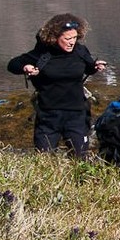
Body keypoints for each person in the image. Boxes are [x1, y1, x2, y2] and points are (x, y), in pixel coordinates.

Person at [7, 13, 107, 157]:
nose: (72, 42)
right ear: (55, 37)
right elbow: (12, 65)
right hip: (48, 116)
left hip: (77, 115)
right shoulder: (42, 54)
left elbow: (88, 67)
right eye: (67, 39)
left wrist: (95, 66)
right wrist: (25, 67)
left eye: (74, 38)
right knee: (44, 160)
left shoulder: (80, 51)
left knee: (80, 159)